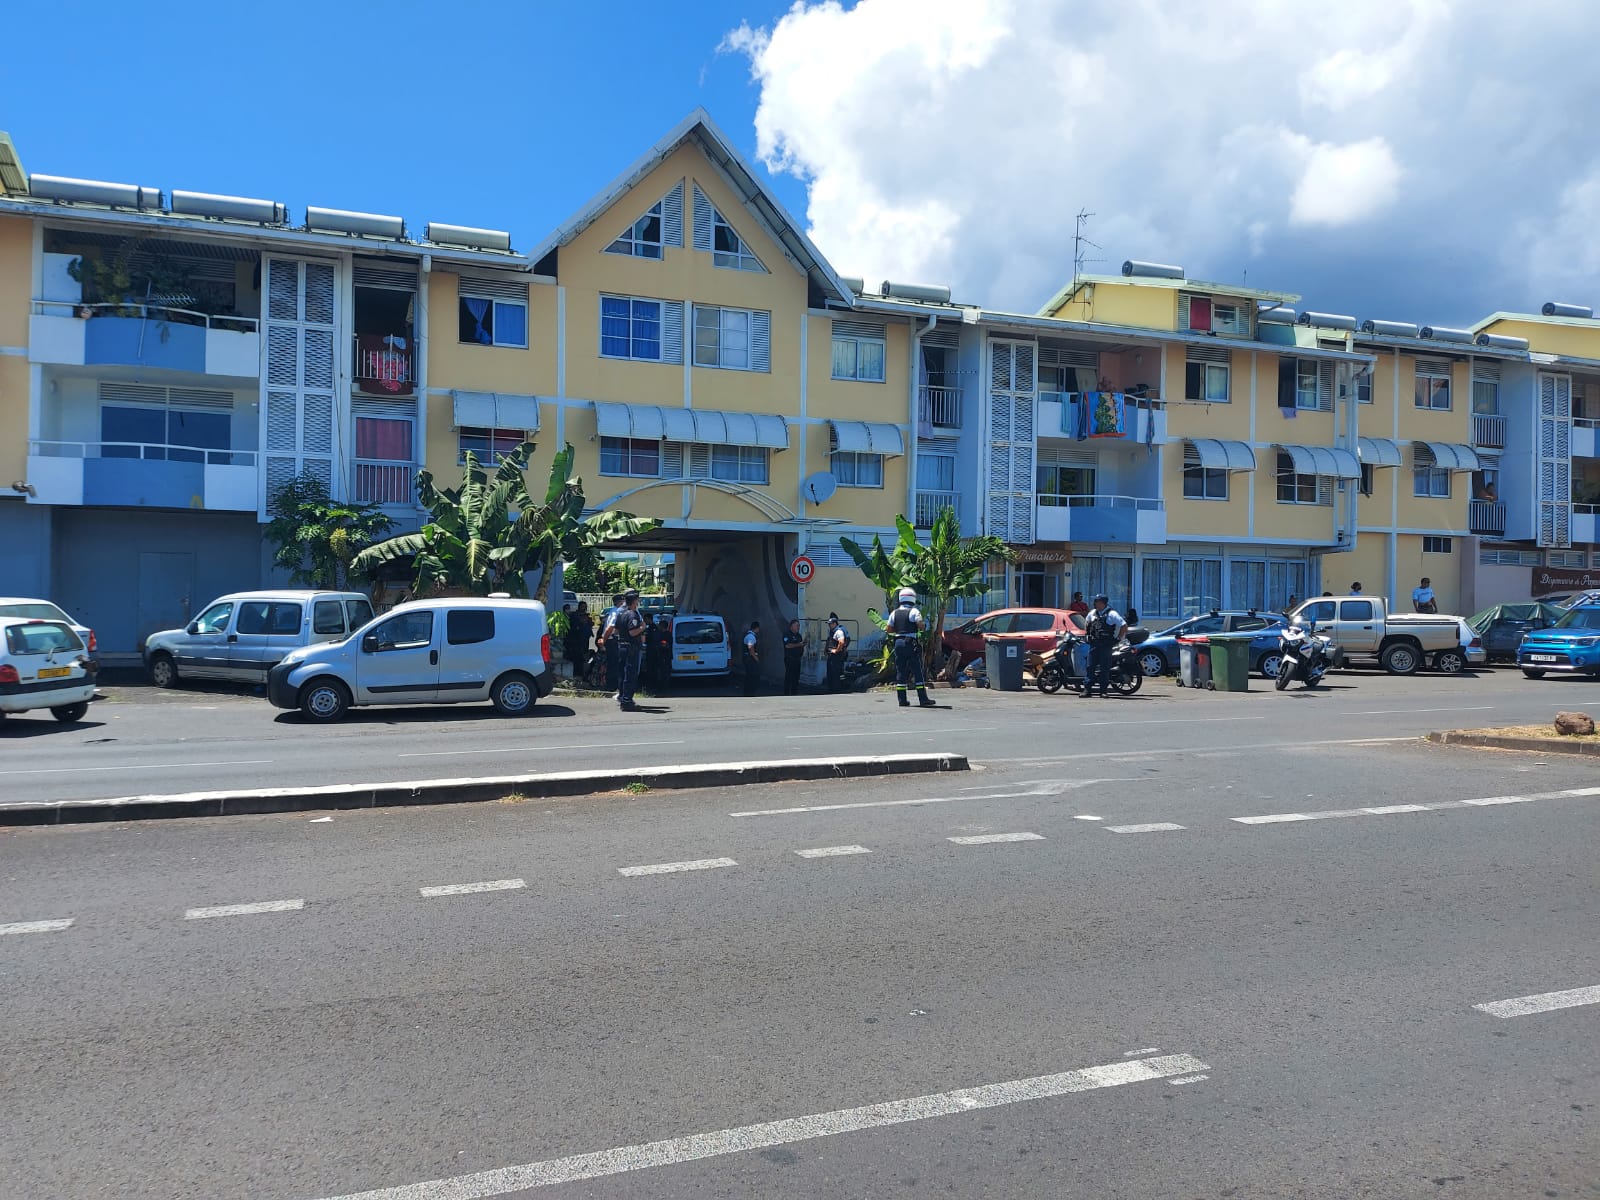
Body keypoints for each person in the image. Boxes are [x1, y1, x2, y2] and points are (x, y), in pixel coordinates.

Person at [887, 587, 937, 708]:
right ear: (912, 599)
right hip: (910, 642)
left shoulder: (894, 612)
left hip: (898, 642)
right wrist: (922, 626)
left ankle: (902, 700)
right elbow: (920, 625)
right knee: (917, 671)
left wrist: (899, 629)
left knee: (900, 671)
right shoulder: (914, 612)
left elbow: (888, 629)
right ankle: (923, 699)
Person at [1080, 593, 1125, 698]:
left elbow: (1124, 625)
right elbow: (1087, 623)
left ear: (1103, 603)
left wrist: (1118, 639)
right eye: (1095, 602)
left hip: (1105, 645)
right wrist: (1087, 634)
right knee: (1090, 667)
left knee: (1105, 668)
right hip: (1094, 644)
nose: (1096, 604)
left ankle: (1103, 690)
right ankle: (1087, 689)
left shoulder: (1112, 614)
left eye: (1098, 602)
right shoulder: (1092, 613)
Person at [613, 590, 647, 711]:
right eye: (637, 600)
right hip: (631, 648)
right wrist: (642, 627)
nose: (638, 602)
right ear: (634, 601)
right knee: (630, 674)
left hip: (621, 646)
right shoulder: (633, 615)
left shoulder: (621, 614)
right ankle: (627, 701)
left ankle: (623, 697)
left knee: (622, 673)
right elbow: (633, 632)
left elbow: (615, 631)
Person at [597, 593, 625, 693]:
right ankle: (612, 686)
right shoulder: (616, 612)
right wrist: (604, 640)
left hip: (611, 639)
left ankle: (613, 685)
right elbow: (610, 628)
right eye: (623, 601)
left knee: (614, 663)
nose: (624, 603)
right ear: (618, 602)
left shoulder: (614, 611)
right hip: (612, 640)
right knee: (614, 663)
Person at [825, 613, 849, 692]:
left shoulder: (838, 631)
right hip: (832, 656)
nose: (829, 625)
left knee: (836, 672)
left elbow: (841, 642)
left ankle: (837, 688)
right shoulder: (832, 631)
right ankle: (835, 687)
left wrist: (837, 650)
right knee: (833, 672)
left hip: (836, 656)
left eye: (830, 624)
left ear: (835, 623)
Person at [742, 620, 762, 696]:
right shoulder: (751, 636)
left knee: (750, 676)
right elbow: (750, 647)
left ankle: (748, 692)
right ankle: (750, 693)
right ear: (756, 628)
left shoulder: (749, 635)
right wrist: (756, 658)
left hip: (748, 658)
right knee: (753, 676)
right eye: (758, 629)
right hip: (750, 659)